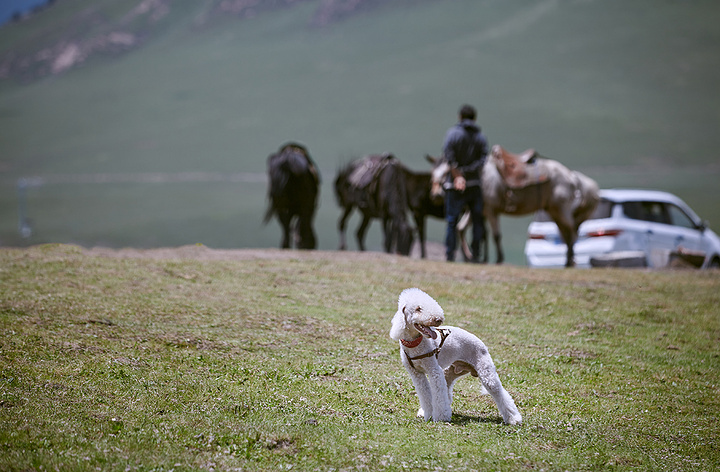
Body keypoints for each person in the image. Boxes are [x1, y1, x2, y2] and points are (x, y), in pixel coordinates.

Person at [442, 104, 488, 262]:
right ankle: (475, 255)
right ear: (474, 118)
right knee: (477, 221)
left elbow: (448, 156)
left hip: (454, 184)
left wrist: (458, 175)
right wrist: (468, 173)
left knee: (451, 220)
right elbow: (483, 159)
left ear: (459, 117)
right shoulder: (480, 137)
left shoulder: (452, 134)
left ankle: (450, 255)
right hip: (474, 184)